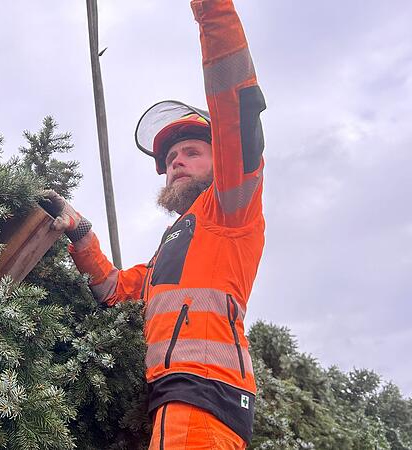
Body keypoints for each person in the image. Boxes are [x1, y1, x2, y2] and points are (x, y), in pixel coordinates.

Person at [44, 0, 266, 448]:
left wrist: (212, 11)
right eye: (169, 159)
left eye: (191, 153)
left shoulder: (231, 208)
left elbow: (232, 110)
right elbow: (114, 290)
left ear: (219, 160)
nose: (176, 163)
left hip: (206, 396)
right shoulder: (175, 246)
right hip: (180, 397)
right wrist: (82, 234)